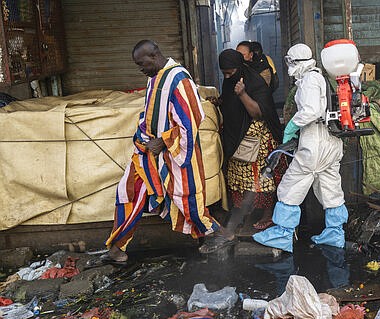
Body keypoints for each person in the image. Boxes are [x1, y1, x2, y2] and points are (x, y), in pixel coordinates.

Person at [90, 40, 233, 265]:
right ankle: (117, 247)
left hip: (175, 153)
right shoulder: (154, 78)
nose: (140, 69)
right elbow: (150, 114)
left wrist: (164, 142)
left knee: (187, 200)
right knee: (127, 192)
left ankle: (218, 235)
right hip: (147, 153)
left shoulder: (179, 79)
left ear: (154, 56)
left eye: (141, 63)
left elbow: (193, 120)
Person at [253, 43, 348, 253]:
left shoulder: (308, 80)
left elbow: (312, 111)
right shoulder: (320, 77)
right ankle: (335, 233)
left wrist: (292, 126)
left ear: (294, 62)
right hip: (331, 142)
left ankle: (282, 234)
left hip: (314, 141)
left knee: (290, 186)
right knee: (330, 187)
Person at [216, 49, 284, 234]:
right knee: (239, 176)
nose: (227, 76)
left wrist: (242, 94)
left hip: (257, 137)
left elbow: (258, 112)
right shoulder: (230, 80)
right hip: (236, 135)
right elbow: (231, 104)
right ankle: (244, 212)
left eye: (230, 72)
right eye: (224, 73)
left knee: (260, 177)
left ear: (239, 67)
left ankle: (267, 213)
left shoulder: (255, 82)